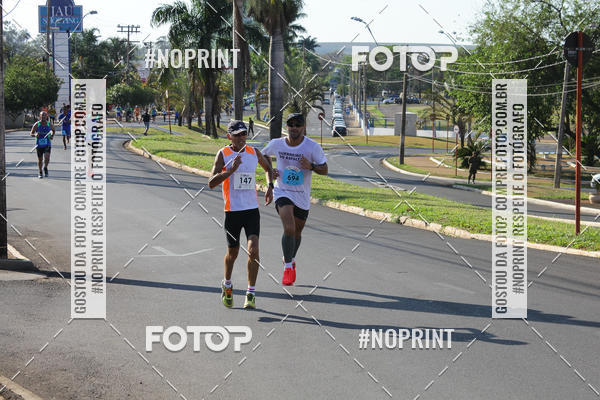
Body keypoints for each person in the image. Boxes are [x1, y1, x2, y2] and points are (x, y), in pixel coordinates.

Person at [208, 120, 275, 309]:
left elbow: (268, 168)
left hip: (251, 210)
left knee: (253, 250)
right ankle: (227, 284)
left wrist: (270, 186)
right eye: (237, 135)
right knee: (233, 252)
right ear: (229, 136)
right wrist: (231, 170)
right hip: (232, 212)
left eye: (244, 134)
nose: (241, 137)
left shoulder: (253, 152)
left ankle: (251, 293)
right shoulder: (223, 154)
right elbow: (211, 183)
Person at [262, 113, 328, 285]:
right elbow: (263, 155)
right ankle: (288, 268)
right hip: (282, 191)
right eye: (291, 124)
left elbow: (325, 169)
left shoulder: (312, 147)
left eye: (298, 125)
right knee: (289, 228)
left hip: (302, 195)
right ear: (287, 127)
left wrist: (311, 166)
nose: (294, 128)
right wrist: (270, 171)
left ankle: (290, 259)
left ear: (303, 127)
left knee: (297, 233)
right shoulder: (277, 143)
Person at [30, 111, 55, 178]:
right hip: (39, 144)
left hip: (47, 143)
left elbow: (53, 130)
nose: (43, 116)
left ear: (46, 116)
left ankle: (45, 167)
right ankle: (40, 171)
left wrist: (52, 136)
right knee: (40, 160)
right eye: (42, 115)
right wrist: (35, 135)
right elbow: (31, 133)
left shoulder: (49, 124)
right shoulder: (37, 124)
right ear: (40, 116)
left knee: (47, 157)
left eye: (44, 115)